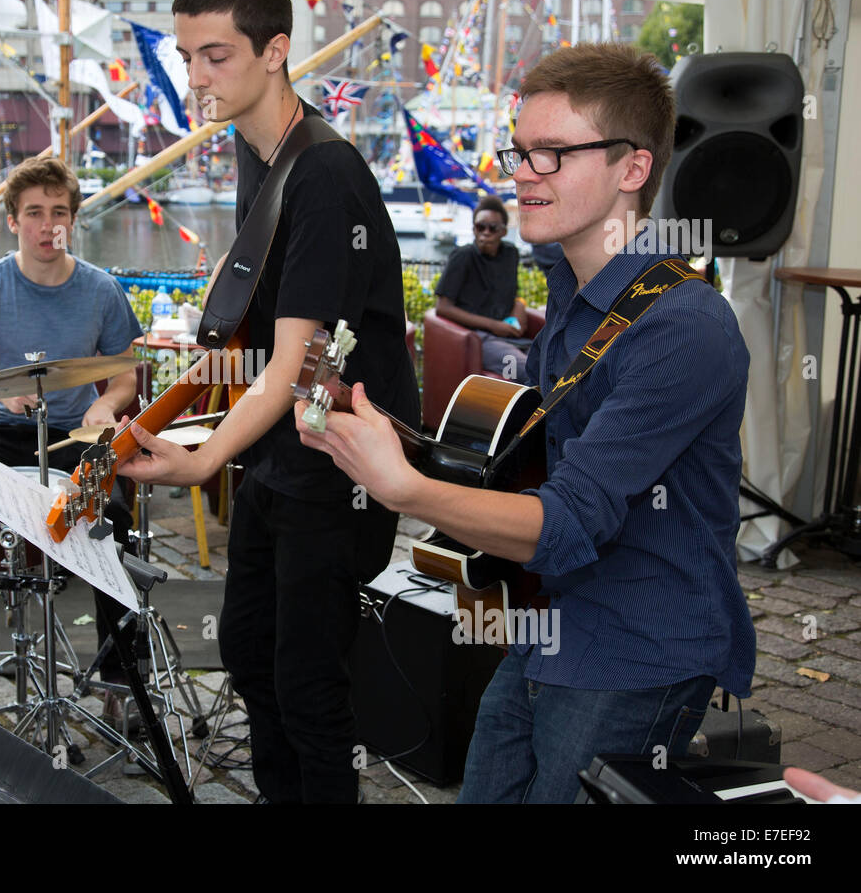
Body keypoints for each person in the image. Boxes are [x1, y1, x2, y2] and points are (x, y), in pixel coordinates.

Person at [296, 42, 755, 803]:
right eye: (521, 150)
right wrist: (376, 428)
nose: (523, 173)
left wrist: (404, 488)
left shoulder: (686, 328)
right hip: (548, 626)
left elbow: (570, 518)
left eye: (554, 154)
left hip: (639, 651)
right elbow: (534, 468)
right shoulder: (572, 296)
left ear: (632, 169)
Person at [116, 0, 419, 803]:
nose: (196, 78)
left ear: (276, 49)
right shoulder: (260, 150)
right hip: (284, 457)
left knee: (309, 690)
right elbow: (261, 332)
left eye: (216, 56)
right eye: (186, 57)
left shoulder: (322, 174)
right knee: (251, 654)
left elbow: (291, 367)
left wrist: (200, 458)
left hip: (337, 462)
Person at [0, 155, 143, 726]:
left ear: (72, 220)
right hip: (2, 432)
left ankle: (122, 679)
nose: (46, 224)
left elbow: (125, 377)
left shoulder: (101, 291)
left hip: (72, 436)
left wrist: (104, 403)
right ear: (12, 221)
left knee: (115, 519)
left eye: (58, 212)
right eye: (33, 212)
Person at [435, 194, 529, 380]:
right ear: (473, 229)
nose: (485, 232)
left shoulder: (511, 254)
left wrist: (519, 308)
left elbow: (513, 294)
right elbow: (442, 307)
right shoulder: (462, 257)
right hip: (478, 338)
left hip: (508, 335)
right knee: (525, 369)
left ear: (503, 231)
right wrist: (495, 326)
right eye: (480, 227)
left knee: (555, 362)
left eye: (492, 228)